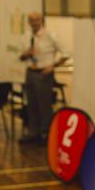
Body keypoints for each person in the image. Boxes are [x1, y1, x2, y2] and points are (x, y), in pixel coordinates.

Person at [18, 13, 69, 144]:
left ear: (41, 21)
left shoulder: (50, 36)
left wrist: (53, 66)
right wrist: (26, 54)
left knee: (44, 104)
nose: (35, 22)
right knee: (31, 104)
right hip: (30, 72)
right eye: (32, 20)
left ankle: (46, 133)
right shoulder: (26, 37)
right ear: (28, 22)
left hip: (44, 74)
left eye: (37, 20)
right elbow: (20, 57)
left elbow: (66, 53)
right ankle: (33, 132)